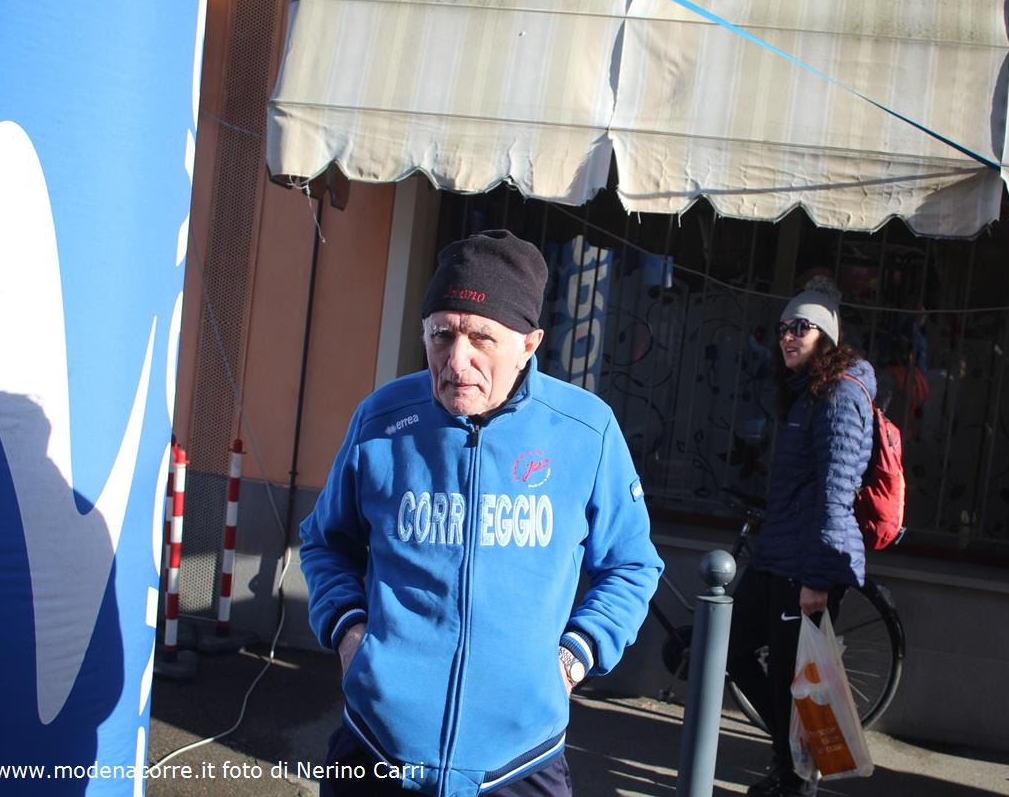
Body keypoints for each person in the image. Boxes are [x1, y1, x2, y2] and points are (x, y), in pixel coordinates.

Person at [299, 229, 664, 796]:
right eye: (441, 335)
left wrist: (575, 657)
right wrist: (349, 633)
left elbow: (631, 565)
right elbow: (327, 543)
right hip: (375, 749)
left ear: (529, 344)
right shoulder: (382, 420)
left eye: (481, 338)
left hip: (521, 761)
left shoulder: (585, 431)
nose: (456, 360)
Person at [726, 277, 876, 797]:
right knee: (734, 650)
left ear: (826, 337)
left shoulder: (840, 396)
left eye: (801, 327)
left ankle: (796, 781)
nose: (788, 337)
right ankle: (789, 761)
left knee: (795, 680)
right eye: (783, 328)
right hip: (780, 553)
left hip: (806, 562)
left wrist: (818, 578)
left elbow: (836, 490)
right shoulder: (808, 394)